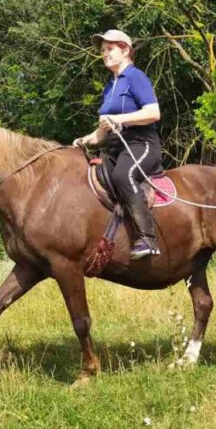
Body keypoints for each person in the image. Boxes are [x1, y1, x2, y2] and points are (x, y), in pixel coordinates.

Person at [73, 29, 162, 259]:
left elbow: (153, 112)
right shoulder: (110, 86)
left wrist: (119, 119)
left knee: (123, 175)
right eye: (102, 50)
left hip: (142, 144)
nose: (104, 54)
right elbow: (103, 131)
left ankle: (148, 239)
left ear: (125, 50)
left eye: (109, 49)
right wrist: (86, 140)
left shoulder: (135, 77)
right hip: (114, 147)